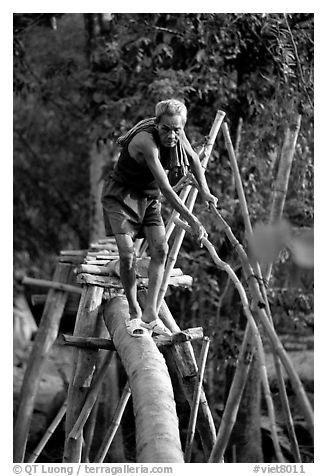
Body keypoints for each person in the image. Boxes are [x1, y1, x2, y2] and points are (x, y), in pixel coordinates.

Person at [102, 99, 218, 337]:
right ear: (157, 124)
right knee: (127, 254)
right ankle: (134, 313)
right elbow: (166, 188)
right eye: (166, 129)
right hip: (122, 197)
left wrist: (205, 190)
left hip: (149, 199)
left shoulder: (177, 135)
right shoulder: (147, 142)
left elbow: (194, 160)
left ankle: (151, 315)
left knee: (161, 250)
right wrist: (193, 221)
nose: (172, 136)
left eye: (177, 130)